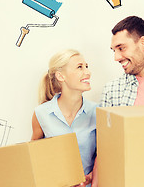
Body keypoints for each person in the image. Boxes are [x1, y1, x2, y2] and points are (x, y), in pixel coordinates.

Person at [31, 49, 98, 187]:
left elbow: (105, 156)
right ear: (61, 76)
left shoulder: (98, 112)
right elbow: (34, 157)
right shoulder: (41, 113)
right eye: (80, 67)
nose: (87, 72)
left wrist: (90, 177)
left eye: (86, 66)